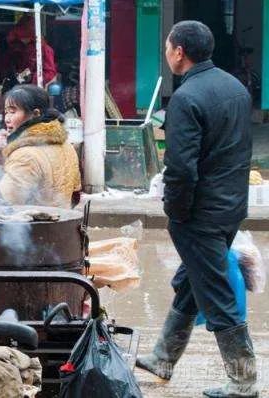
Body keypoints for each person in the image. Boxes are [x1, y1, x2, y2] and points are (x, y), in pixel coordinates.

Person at [136, 21, 257, 398]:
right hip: (230, 206)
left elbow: (182, 169)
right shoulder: (235, 87)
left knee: (216, 293)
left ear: (178, 52)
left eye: (169, 47)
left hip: (200, 213)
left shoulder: (187, 99)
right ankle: (163, 358)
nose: (169, 53)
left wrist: (177, 212)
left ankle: (243, 381)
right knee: (194, 281)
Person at [0, 84, 81, 207]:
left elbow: (6, 200)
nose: (7, 119)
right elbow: (76, 195)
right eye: (6, 112)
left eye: (12, 112)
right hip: (65, 220)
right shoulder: (67, 146)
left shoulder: (25, 155)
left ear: (35, 114)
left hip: (35, 223)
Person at [6, 15, 57, 87]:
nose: (22, 39)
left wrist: (32, 78)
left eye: (24, 36)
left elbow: (50, 73)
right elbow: (26, 68)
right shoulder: (23, 47)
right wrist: (20, 76)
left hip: (39, 86)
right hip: (25, 84)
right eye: (19, 37)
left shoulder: (45, 49)